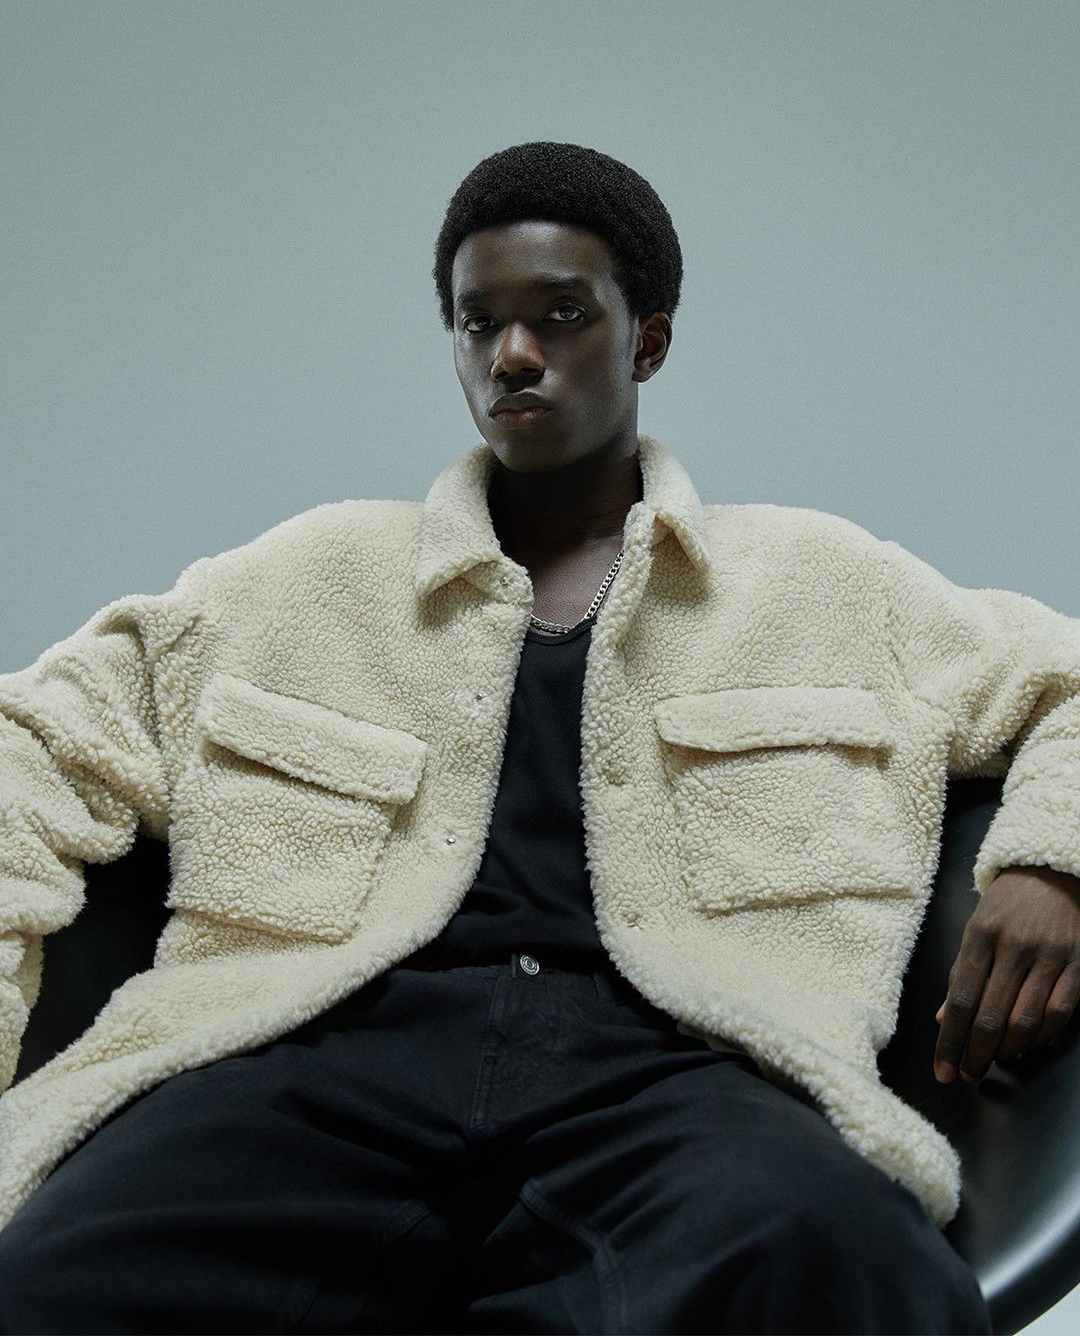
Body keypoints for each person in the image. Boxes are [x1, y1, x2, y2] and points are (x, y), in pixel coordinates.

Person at [0, 140, 1076, 1335]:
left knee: (838, 1250)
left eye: (560, 315)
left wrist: (1052, 863)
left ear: (646, 342)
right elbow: (33, 743)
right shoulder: (297, 580)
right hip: (311, 1063)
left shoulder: (826, 584)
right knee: (45, 1277)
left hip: (673, 1075)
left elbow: (1066, 684)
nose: (513, 352)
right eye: (480, 322)